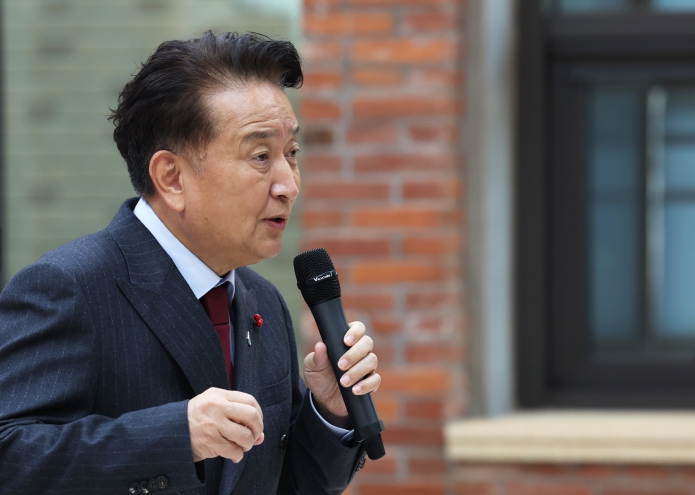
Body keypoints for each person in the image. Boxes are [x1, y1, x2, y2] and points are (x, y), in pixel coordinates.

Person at [0, 32, 381, 495]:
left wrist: (329, 409)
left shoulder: (264, 302)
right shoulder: (69, 285)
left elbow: (284, 483)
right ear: (172, 178)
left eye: (292, 154)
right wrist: (174, 436)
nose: (288, 184)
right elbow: (10, 456)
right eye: (261, 156)